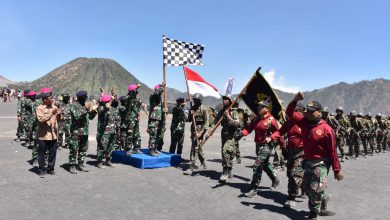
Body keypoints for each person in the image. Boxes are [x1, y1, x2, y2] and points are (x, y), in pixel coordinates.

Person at [286, 92, 343, 219]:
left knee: (314, 189)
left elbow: (333, 151)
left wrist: (337, 170)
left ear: (319, 112)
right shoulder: (304, 122)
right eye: (308, 111)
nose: (309, 114)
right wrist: (295, 100)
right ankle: (324, 197)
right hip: (308, 161)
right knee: (306, 188)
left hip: (321, 163)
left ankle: (313, 214)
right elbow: (289, 113)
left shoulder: (327, 129)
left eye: (312, 111)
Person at [235, 98, 284, 197]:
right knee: (264, 164)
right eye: (258, 106)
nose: (258, 108)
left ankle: (254, 188)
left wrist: (284, 147)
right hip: (258, 145)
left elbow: (279, 133)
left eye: (260, 106)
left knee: (257, 164)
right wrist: (241, 133)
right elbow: (248, 129)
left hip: (266, 146)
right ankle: (275, 179)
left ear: (266, 108)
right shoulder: (256, 119)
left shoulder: (272, 120)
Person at [271, 102, 305, 208]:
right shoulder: (289, 123)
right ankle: (301, 188)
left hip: (302, 152)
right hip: (290, 152)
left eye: (298, 112)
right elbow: (279, 132)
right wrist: (272, 137)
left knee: (296, 174)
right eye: (295, 112)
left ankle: (291, 197)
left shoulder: (305, 123)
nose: (296, 114)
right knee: (290, 175)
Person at [212, 95, 244, 182]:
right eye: (223, 99)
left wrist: (228, 116)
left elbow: (238, 125)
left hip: (232, 134)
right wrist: (210, 130)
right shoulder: (222, 111)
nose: (224, 101)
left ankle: (225, 172)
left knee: (225, 150)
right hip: (224, 133)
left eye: (226, 99)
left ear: (230, 101)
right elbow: (215, 122)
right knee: (227, 152)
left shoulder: (234, 112)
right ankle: (229, 170)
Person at [68, 90, 98, 174]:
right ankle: (72, 165)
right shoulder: (74, 106)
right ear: (82, 98)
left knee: (83, 149)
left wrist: (94, 111)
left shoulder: (85, 105)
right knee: (74, 148)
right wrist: (87, 109)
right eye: (85, 97)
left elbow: (90, 117)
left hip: (84, 132)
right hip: (76, 132)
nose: (86, 99)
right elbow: (77, 116)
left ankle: (80, 164)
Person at [35, 88, 61, 177]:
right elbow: (41, 119)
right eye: (50, 97)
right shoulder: (39, 108)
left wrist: (59, 114)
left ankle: (50, 169)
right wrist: (51, 113)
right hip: (43, 135)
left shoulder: (54, 107)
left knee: (53, 153)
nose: (52, 99)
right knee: (42, 154)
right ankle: (42, 170)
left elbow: (58, 119)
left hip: (53, 134)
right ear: (45, 99)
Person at [183, 93, 209, 175]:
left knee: (194, 148)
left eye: (196, 100)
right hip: (193, 131)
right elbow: (189, 120)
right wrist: (191, 114)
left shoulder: (204, 109)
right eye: (193, 99)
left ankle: (191, 166)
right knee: (198, 147)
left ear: (200, 100)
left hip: (200, 131)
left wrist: (200, 133)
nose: (194, 101)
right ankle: (203, 161)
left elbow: (206, 124)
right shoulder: (193, 108)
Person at [120, 84, 144, 156]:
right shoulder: (127, 98)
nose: (137, 91)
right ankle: (128, 149)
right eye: (135, 90)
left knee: (137, 134)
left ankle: (136, 148)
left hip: (135, 119)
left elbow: (137, 107)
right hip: (130, 119)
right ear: (132, 91)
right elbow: (130, 97)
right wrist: (136, 87)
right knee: (129, 134)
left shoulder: (136, 99)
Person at [96, 94, 116, 168]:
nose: (111, 101)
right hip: (104, 132)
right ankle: (99, 161)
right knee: (102, 147)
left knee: (111, 146)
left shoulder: (112, 108)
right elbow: (101, 111)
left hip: (112, 130)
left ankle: (108, 160)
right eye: (110, 100)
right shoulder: (101, 108)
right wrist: (105, 106)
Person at [147, 83, 166, 156]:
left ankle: (155, 148)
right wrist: (162, 86)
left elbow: (159, 109)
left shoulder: (159, 98)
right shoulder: (153, 96)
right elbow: (157, 93)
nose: (162, 92)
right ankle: (151, 150)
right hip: (154, 119)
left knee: (159, 134)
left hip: (159, 118)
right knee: (153, 134)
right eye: (161, 91)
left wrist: (163, 111)